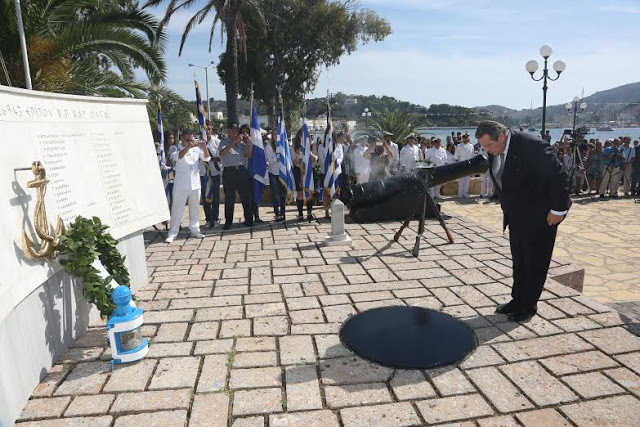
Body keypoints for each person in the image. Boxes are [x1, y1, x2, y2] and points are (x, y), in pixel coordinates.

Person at [476, 121, 571, 322]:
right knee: (520, 261)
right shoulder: (497, 149)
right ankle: (517, 299)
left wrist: (558, 210)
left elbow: (559, 176)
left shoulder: (532, 146)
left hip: (541, 216)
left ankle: (528, 306)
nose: (487, 151)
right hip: (517, 216)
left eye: (489, 146)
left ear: (501, 137)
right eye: (484, 147)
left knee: (535, 262)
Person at [165, 130, 211, 243]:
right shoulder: (175, 148)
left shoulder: (196, 148)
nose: (190, 142)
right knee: (177, 209)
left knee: (195, 208)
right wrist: (188, 148)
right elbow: (178, 157)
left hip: (195, 183)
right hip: (181, 184)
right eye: (187, 140)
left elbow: (206, 158)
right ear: (182, 139)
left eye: (192, 140)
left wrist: (204, 148)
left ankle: (195, 229)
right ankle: (173, 233)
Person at [219, 123, 253, 229]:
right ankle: (228, 222)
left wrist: (250, 145)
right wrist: (234, 142)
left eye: (237, 130)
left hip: (241, 171)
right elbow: (222, 153)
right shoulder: (223, 142)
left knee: (246, 197)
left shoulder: (242, 144)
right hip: (230, 172)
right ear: (228, 131)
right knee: (229, 198)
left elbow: (249, 155)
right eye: (233, 130)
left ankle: (248, 220)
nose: (236, 132)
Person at [292, 129, 318, 221]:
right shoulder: (294, 147)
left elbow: (315, 159)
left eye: (310, 136)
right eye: (308, 136)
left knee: (309, 191)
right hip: (299, 171)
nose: (310, 138)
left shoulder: (312, 147)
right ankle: (300, 214)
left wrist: (308, 153)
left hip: (309, 171)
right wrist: (301, 158)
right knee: (300, 193)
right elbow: (293, 161)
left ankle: (309, 214)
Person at [201, 124, 222, 227]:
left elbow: (221, 156)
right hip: (203, 173)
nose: (207, 131)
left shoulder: (217, 141)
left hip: (214, 172)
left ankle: (215, 218)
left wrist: (211, 159)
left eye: (209, 129)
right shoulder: (199, 142)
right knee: (205, 196)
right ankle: (208, 219)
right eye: (205, 129)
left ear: (212, 130)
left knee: (216, 196)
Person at [265, 132, 285, 220]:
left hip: (283, 173)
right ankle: (277, 213)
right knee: (276, 195)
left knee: (283, 194)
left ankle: (283, 212)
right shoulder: (269, 146)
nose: (276, 137)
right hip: (273, 173)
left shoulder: (283, 145)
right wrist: (276, 158)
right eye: (274, 135)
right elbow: (269, 160)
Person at [454, 134, 475, 198]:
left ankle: (465, 193)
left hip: (468, 165)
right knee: (461, 180)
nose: (465, 139)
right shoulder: (459, 146)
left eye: (466, 138)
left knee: (467, 180)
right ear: (462, 138)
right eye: (464, 138)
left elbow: (472, 156)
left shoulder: (471, 146)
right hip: (461, 164)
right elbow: (456, 156)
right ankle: (460, 194)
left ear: (468, 138)